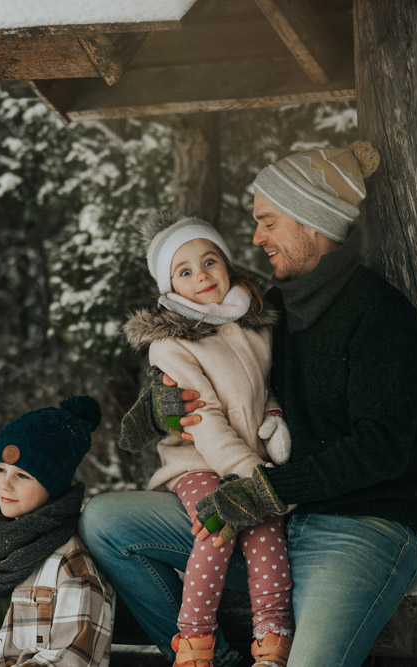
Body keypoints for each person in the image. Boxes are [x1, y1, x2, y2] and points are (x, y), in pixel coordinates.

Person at [80, 141, 417, 667]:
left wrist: (267, 491)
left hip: (361, 529)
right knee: (106, 522)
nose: (255, 237)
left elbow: (380, 449)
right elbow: (222, 383)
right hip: (270, 517)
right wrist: (163, 407)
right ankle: (212, 658)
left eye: (268, 221)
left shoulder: (383, 318)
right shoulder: (269, 309)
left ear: (309, 222)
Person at [118, 213, 294, 667]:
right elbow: (203, 419)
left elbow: (264, 386)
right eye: (185, 271)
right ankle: (195, 641)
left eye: (209, 261)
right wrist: (251, 474)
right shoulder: (172, 344)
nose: (202, 276)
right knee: (219, 524)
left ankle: (272, 636)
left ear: (227, 263)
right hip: (197, 462)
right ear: (170, 288)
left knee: (266, 526)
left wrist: (272, 417)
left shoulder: (255, 325)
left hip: (247, 458)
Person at [0, 395, 113, 667]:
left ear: (53, 485)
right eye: (0, 469)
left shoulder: (71, 566)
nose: (5, 485)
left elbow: (71, 658)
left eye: (22, 475)